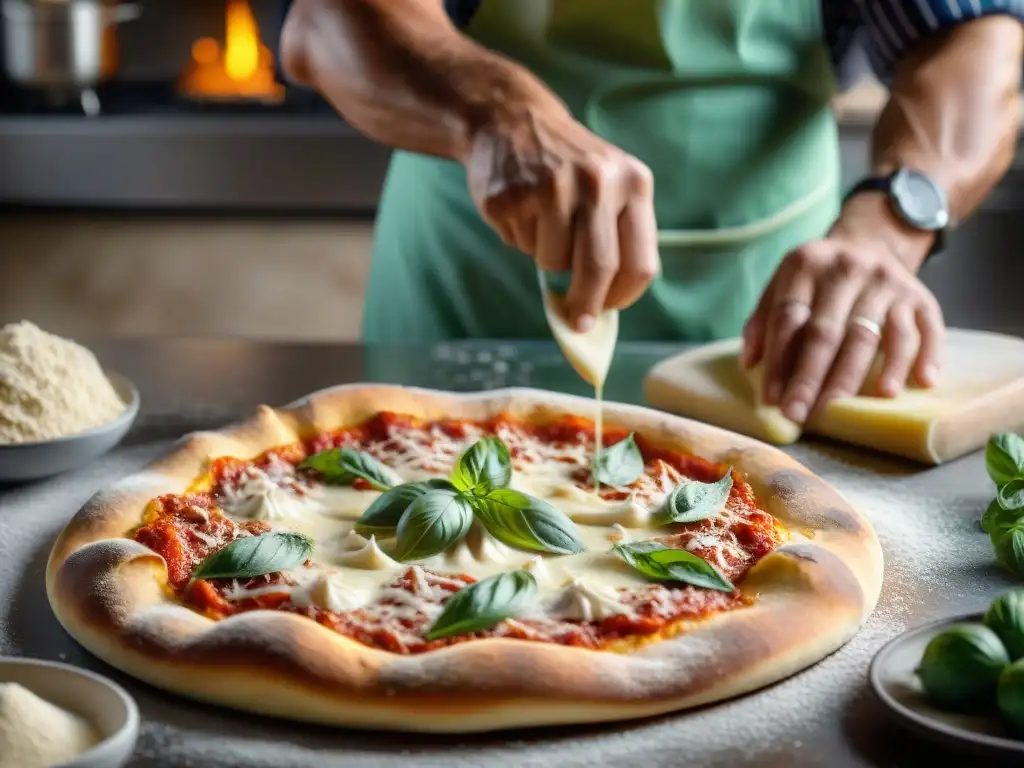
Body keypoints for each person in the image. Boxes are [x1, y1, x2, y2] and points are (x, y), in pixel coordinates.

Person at [279, 0, 1023, 425]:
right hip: (469, 289)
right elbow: (327, 20)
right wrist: (494, 111)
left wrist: (893, 222)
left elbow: (971, 32)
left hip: (770, 330)